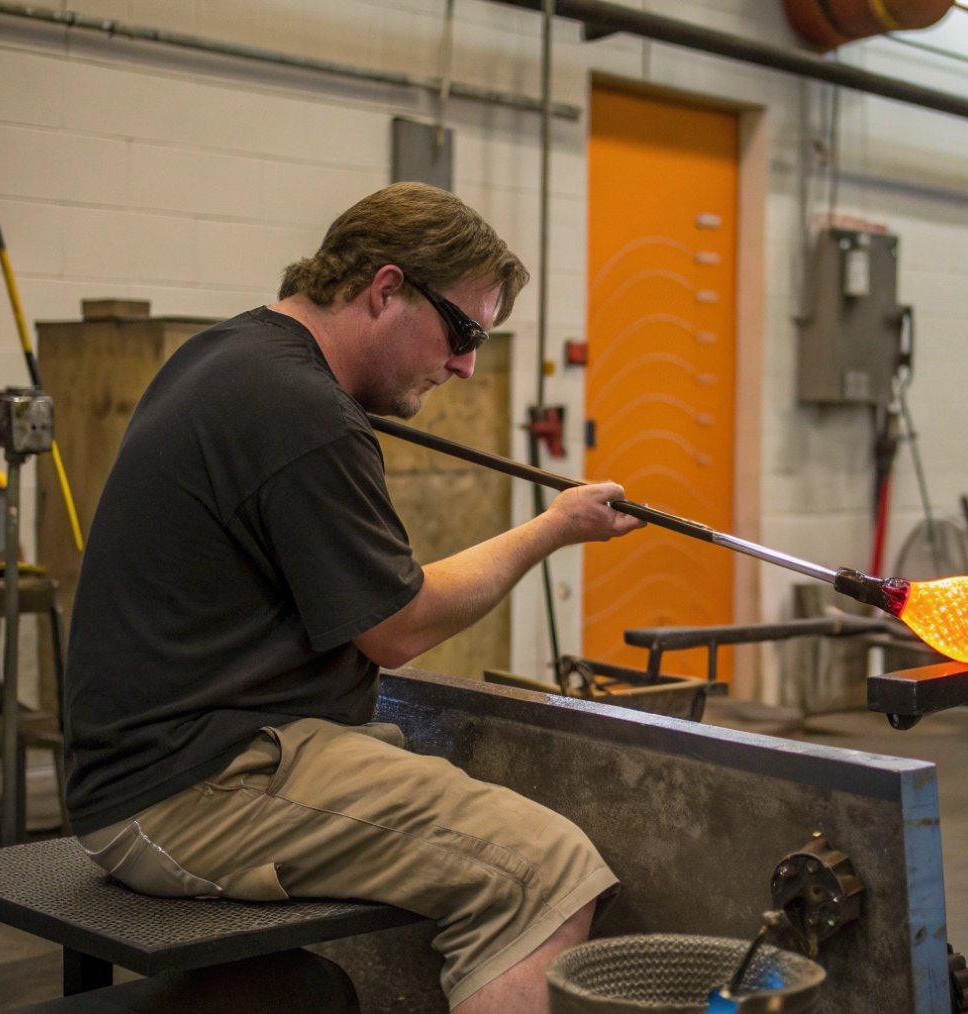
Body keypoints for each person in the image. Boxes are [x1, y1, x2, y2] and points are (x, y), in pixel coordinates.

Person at [63, 182, 644, 1012]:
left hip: (162, 762)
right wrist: (552, 528)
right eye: (463, 331)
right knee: (543, 873)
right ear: (385, 288)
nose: (466, 365)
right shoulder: (303, 411)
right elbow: (398, 628)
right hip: (190, 790)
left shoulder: (229, 354)